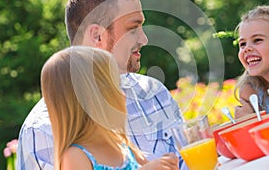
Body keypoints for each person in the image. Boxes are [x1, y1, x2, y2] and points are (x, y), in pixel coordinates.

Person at [17, 0, 185, 169]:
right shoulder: (41, 132)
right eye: (133, 28)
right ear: (97, 36)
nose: (144, 39)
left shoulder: (154, 94)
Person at [41, 46, 179, 170]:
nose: (124, 94)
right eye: (117, 85)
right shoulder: (75, 156)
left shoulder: (122, 146)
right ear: (93, 100)